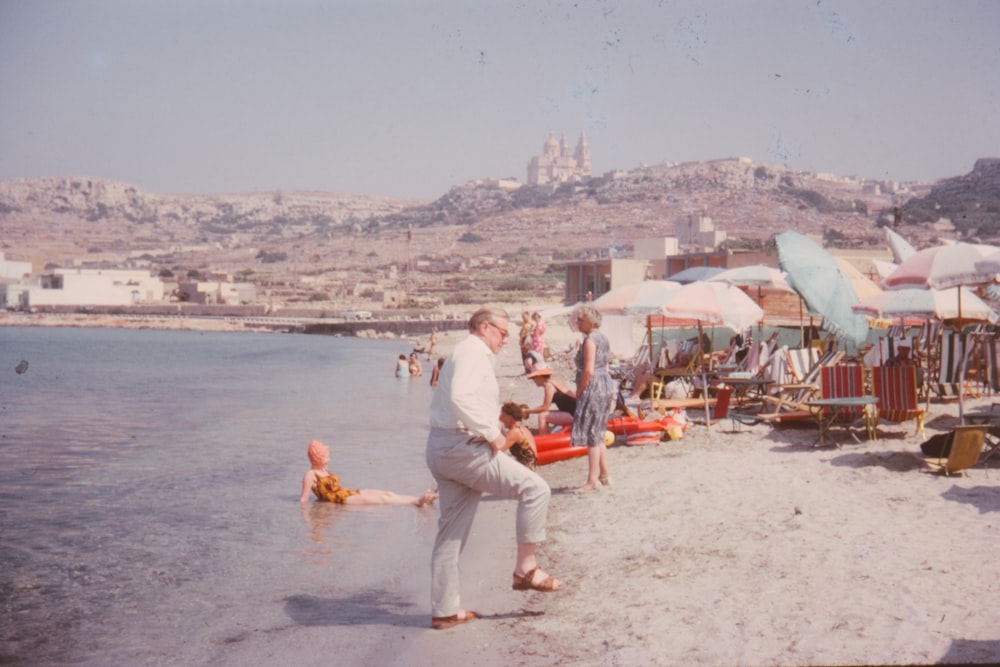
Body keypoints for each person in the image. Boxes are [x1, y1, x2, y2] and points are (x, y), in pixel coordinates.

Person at [426, 307, 563, 630]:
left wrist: (494, 421)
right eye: (502, 332)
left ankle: (445, 611)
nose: (506, 339)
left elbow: (461, 399)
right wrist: (495, 436)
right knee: (535, 489)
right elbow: (461, 397)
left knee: (450, 535)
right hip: (464, 448)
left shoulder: (463, 352)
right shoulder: (473, 351)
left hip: (442, 448)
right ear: (485, 327)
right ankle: (525, 568)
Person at [299, 440, 437, 506]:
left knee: (387, 493)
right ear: (318, 456)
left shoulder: (324, 470)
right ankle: (418, 501)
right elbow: (303, 500)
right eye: (326, 455)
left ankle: (418, 499)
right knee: (383, 500)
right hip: (342, 500)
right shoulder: (310, 474)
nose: (329, 457)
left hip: (347, 492)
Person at [569, 304, 615, 493]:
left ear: (588, 321)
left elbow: (588, 370)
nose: (577, 323)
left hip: (593, 385)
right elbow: (604, 366)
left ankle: (591, 480)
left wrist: (579, 391)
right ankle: (604, 474)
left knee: (592, 434)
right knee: (598, 430)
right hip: (604, 383)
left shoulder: (590, 340)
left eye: (580, 320)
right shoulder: (603, 338)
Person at [525, 367, 577, 434]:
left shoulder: (549, 386)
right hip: (574, 412)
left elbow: (544, 407)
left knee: (542, 416)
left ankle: (544, 441)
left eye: (534, 378)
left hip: (573, 415)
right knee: (545, 413)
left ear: (540, 377)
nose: (534, 380)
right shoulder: (554, 382)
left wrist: (527, 411)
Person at [498, 401, 538, 470]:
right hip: (530, 465)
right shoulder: (522, 428)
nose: (500, 418)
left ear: (511, 417)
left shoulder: (515, 432)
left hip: (526, 468)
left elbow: (499, 450)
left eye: (503, 416)